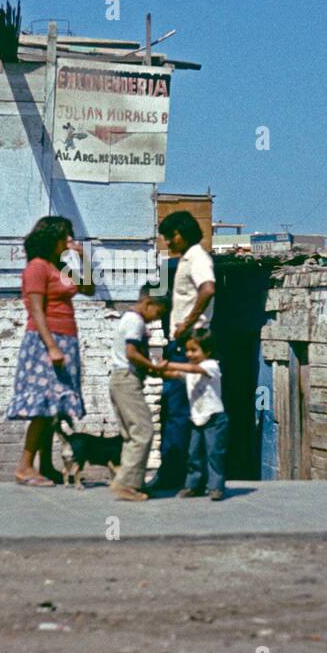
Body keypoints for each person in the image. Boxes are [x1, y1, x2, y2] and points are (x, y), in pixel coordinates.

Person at [6, 216, 94, 486]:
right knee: (43, 406)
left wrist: (83, 257)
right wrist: (52, 347)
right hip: (45, 342)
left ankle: (45, 465)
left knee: (54, 407)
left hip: (66, 340)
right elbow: (36, 311)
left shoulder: (61, 267)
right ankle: (24, 467)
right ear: (51, 239)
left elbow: (89, 288)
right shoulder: (37, 268)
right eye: (64, 237)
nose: (69, 242)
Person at [152, 210, 216, 491]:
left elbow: (208, 289)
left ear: (184, 232)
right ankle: (187, 475)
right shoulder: (184, 260)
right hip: (182, 342)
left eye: (171, 235)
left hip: (188, 342)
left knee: (177, 410)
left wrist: (186, 323)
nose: (168, 242)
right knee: (181, 410)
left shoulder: (198, 257)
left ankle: (172, 475)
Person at [106, 283, 170, 502]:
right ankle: (126, 484)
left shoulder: (129, 319)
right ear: (148, 303)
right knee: (143, 430)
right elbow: (132, 353)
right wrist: (154, 367)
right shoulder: (135, 321)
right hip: (126, 380)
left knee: (132, 434)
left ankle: (133, 482)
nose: (156, 319)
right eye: (157, 313)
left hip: (120, 379)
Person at [159, 328, 227, 500]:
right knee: (193, 454)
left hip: (214, 418)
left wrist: (168, 363)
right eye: (187, 350)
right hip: (196, 419)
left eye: (194, 350)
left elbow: (193, 369)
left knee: (214, 453)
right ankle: (193, 485)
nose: (189, 354)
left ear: (208, 351)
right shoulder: (189, 371)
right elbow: (174, 374)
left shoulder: (211, 365)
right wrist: (153, 367)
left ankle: (216, 487)